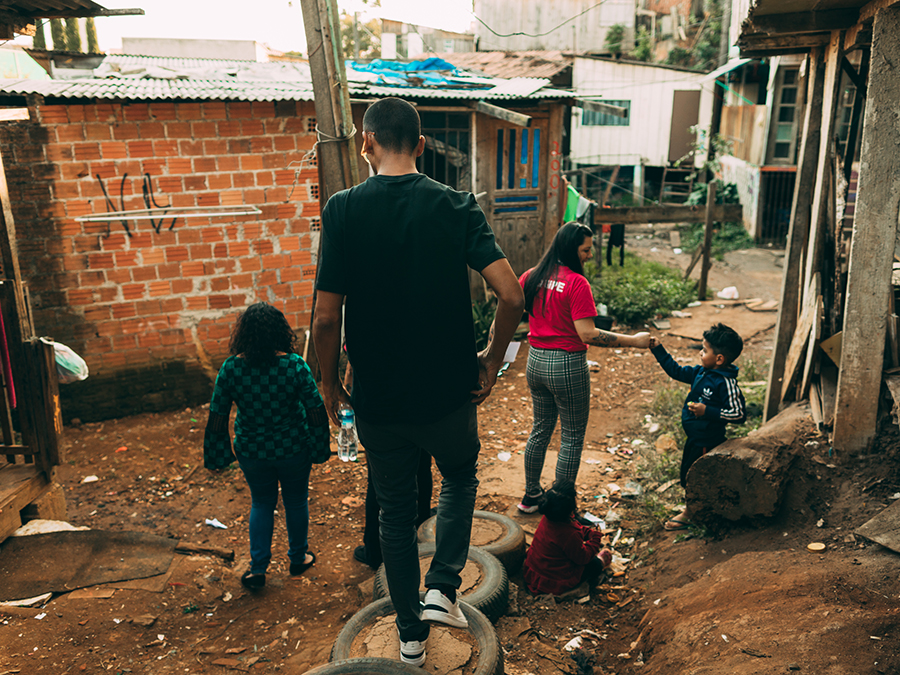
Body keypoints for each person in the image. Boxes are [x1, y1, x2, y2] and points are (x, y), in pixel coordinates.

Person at [313, 97, 524, 667]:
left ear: (366, 143)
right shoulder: (456, 206)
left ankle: (409, 635)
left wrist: (329, 385)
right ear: (423, 145)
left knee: (394, 512)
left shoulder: (342, 210)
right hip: (449, 389)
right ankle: (443, 588)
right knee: (458, 478)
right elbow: (511, 294)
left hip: (378, 396)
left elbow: (327, 316)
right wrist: (491, 357)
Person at [517, 222, 650, 514]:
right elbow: (588, 334)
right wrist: (635, 342)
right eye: (586, 249)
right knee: (572, 436)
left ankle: (530, 496)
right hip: (566, 364)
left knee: (540, 429)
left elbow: (509, 311)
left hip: (535, 361)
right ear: (571, 249)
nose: (589, 255)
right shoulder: (577, 283)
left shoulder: (531, 276)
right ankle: (561, 508)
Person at [203, 302, 331, 591]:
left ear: (243, 334)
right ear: (280, 332)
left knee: (261, 503)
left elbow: (217, 415)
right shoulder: (295, 365)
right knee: (296, 501)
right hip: (293, 448)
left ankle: (257, 568)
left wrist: (217, 455)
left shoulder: (232, 368)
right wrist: (320, 447)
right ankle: (298, 558)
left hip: (252, 451)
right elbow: (315, 410)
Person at [648, 323, 747, 530]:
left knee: (698, 476)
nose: (700, 354)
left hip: (707, 441)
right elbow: (675, 370)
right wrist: (658, 349)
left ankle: (692, 512)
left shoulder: (726, 384)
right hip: (694, 439)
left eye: (704, 350)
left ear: (719, 359)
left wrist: (707, 411)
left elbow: (739, 414)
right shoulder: (700, 372)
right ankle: (698, 507)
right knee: (687, 474)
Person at [343, 362, 435, 569]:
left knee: (379, 480)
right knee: (421, 466)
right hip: (420, 398)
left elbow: (352, 363)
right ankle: (420, 536)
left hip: (377, 402)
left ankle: (375, 552)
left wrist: (339, 388)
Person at [522, 480, 612, 596]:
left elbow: (575, 527)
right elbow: (582, 558)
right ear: (570, 510)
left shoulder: (548, 517)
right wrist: (595, 539)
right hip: (553, 580)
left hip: (536, 568)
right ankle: (601, 562)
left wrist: (589, 533)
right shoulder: (569, 534)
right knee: (593, 565)